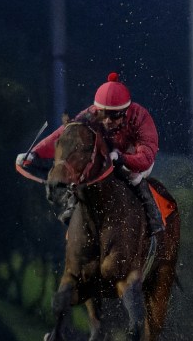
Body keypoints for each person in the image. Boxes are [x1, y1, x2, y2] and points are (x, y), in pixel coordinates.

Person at [15, 72, 164, 234]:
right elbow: (66, 135)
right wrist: (34, 154)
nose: (107, 121)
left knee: (130, 174)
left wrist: (121, 158)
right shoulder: (91, 114)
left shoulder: (140, 117)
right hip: (106, 155)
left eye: (114, 116)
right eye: (103, 114)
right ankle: (73, 206)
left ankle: (153, 216)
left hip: (134, 160)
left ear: (125, 111)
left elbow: (146, 157)